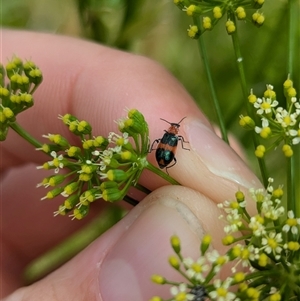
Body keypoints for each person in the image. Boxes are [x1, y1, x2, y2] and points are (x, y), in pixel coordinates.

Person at [1, 29, 261, 301]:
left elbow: (166, 149)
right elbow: (167, 150)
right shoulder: (169, 140)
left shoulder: (168, 140)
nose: (171, 132)